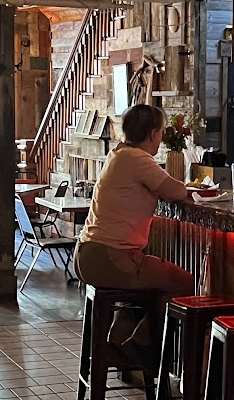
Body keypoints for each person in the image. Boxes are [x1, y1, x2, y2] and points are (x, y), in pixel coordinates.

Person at [76, 104, 195, 373]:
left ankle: (115, 349)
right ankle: (137, 349)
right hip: (112, 259)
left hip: (88, 254)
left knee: (143, 291)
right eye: (161, 132)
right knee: (184, 282)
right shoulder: (138, 159)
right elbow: (175, 191)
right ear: (153, 134)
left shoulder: (118, 153)